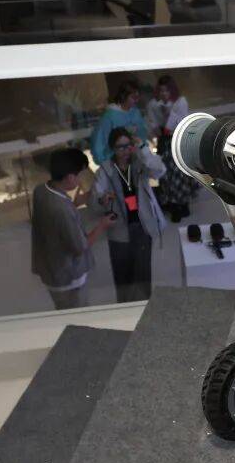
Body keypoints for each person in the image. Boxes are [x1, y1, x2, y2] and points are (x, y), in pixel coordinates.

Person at [31, 148, 115, 310]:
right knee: (79, 316)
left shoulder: (41, 191)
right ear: (70, 177)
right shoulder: (62, 209)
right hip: (69, 279)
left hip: (51, 272)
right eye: (79, 175)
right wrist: (102, 225)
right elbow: (80, 247)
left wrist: (77, 202)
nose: (80, 180)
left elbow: (54, 220)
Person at [92, 127, 166, 303]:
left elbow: (159, 171)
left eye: (128, 146)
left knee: (143, 273)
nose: (125, 151)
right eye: (120, 147)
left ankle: (144, 305)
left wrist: (143, 149)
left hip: (142, 224)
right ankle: (125, 308)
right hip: (119, 230)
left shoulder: (140, 162)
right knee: (123, 275)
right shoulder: (105, 170)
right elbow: (95, 198)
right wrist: (102, 199)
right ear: (112, 148)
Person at [148, 75, 199, 222]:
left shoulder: (180, 102)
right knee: (166, 174)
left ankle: (183, 204)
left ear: (172, 90)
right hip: (164, 142)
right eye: (161, 90)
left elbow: (179, 123)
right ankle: (173, 205)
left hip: (177, 140)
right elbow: (153, 124)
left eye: (167, 90)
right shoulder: (153, 104)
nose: (164, 93)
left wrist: (167, 118)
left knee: (180, 174)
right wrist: (159, 128)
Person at [89, 79, 148, 166]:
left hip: (134, 158)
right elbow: (100, 140)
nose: (136, 101)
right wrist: (102, 160)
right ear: (123, 96)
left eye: (137, 97)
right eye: (133, 97)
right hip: (115, 160)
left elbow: (141, 134)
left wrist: (142, 149)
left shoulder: (135, 112)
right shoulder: (110, 116)